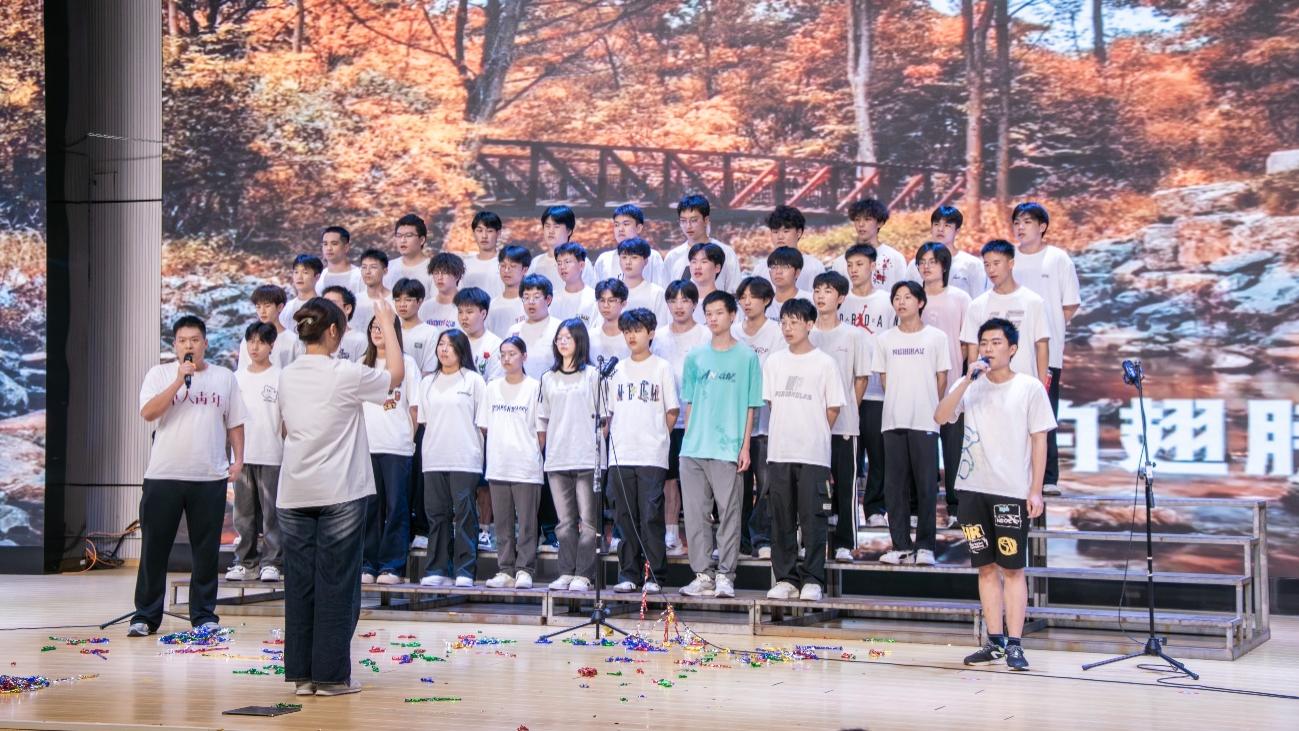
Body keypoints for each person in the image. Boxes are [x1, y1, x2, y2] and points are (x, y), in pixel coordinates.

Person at [276, 296, 403, 696]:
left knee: (300, 585)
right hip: (340, 490)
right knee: (337, 584)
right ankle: (330, 678)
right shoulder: (345, 372)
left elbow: (285, 428)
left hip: (294, 490)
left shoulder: (287, 375)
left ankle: (302, 677)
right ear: (333, 330)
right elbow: (395, 375)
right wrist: (387, 322)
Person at [935, 318, 1055, 672]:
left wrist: (1035, 490)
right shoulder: (970, 384)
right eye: (984, 342)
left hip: (1011, 491)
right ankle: (994, 640)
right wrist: (965, 380)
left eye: (996, 342)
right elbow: (941, 416)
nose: (988, 348)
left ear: (1013, 348)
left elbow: (1039, 439)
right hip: (972, 489)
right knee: (985, 568)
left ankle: (1015, 643)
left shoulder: (1029, 387)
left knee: (1013, 569)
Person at [129, 315, 247, 638]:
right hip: (163, 475)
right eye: (182, 340)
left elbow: (235, 422)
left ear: (205, 343)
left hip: (209, 476)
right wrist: (178, 381)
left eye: (194, 340)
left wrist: (238, 460)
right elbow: (148, 413)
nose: (189, 345)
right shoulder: (159, 374)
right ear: (175, 345)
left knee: (205, 551)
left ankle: (204, 615)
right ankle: (145, 616)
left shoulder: (224, 377)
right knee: (154, 549)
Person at [678, 291, 762, 599]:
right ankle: (702, 575)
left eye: (719, 313)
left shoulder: (747, 357)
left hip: (728, 448)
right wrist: (689, 440)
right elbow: (689, 403)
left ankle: (726, 575)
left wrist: (745, 446)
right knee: (696, 515)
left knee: (729, 514)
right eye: (709, 314)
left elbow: (751, 406)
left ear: (732, 315)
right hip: (693, 450)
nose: (713, 319)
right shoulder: (695, 357)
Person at [763, 299, 844, 602]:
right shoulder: (774, 362)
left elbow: (833, 408)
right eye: (784, 322)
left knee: (813, 518)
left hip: (813, 454)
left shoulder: (825, 363)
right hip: (780, 452)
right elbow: (771, 402)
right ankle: (786, 578)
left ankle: (813, 579)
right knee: (781, 518)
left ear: (810, 324)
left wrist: (813, 432)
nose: (788, 328)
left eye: (794, 322)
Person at [873, 281, 950, 566]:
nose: (901, 302)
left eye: (907, 297)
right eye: (897, 297)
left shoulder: (936, 338)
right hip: (893, 420)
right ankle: (901, 546)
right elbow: (884, 379)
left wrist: (930, 407)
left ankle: (926, 546)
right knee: (895, 488)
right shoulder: (884, 339)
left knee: (926, 486)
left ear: (920, 302)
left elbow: (942, 378)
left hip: (925, 421)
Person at [607, 308, 679, 594]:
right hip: (621, 453)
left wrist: (658, 437)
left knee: (650, 515)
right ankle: (628, 573)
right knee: (624, 517)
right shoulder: (616, 369)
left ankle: (654, 575)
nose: (631, 336)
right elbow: (608, 412)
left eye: (637, 330)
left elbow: (672, 411)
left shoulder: (661, 367)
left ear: (650, 333)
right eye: (627, 331)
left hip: (651, 454)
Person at [1010, 202, 1080, 495]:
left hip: (1046, 352)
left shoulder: (1058, 259)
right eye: (1017, 222)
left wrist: (1048, 330)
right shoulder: (1009, 258)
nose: (1020, 227)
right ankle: (1014, 473)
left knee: (1045, 410)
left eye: (1027, 221)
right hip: (1010, 351)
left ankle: (1048, 477)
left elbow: (1070, 304)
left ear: (1042, 226)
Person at [415, 329, 488, 588]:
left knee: (465, 514)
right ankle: (437, 568)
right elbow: (424, 421)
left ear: (461, 349)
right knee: (437, 514)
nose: (444, 349)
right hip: (434, 457)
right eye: (441, 344)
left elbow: (482, 424)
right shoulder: (427, 382)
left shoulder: (473, 381)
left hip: (465, 457)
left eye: (450, 345)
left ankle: (465, 570)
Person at [809, 272, 871, 562]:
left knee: (846, 485)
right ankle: (811, 541)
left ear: (841, 297)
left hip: (844, 425)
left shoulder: (853, 335)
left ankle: (845, 543)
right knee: (812, 489)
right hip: (810, 426)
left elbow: (861, 378)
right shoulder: (807, 333)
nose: (821, 296)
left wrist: (849, 409)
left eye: (828, 291)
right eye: (817, 290)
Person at [538, 320, 602, 592]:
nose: (562, 342)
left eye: (568, 337)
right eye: (559, 338)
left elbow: (605, 417)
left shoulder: (593, 375)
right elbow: (542, 419)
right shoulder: (548, 378)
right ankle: (566, 571)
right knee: (564, 523)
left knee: (588, 522)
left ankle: (584, 574)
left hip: (586, 458)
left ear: (579, 341)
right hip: (557, 458)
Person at [837, 244, 895, 528]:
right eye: (850, 265)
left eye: (859, 264)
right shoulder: (840, 301)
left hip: (877, 391)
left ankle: (875, 508)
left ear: (873, 266)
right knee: (845, 456)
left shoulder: (887, 301)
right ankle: (842, 509)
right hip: (844, 390)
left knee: (878, 454)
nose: (854, 270)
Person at [480, 337, 544, 589]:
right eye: (503, 354)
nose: (507, 359)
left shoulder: (534, 387)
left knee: (527, 523)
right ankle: (505, 569)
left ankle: (525, 569)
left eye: (513, 354)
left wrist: (528, 451)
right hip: (498, 464)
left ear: (524, 356)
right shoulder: (492, 387)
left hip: (526, 466)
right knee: (502, 523)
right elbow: (484, 426)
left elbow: (541, 431)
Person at [915, 242, 972, 526]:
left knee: (953, 451)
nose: (926, 267)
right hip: (918, 387)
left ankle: (956, 508)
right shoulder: (912, 298)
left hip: (951, 387)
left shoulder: (960, 298)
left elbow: (968, 343)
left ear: (945, 265)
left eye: (932, 261)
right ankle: (919, 510)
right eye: (922, 262)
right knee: (921, 455)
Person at [359, 315, 419, 586]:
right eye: (373, 327)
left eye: (382, 328)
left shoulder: (407, 364)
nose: (377, 332)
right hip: (367, 446)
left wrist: (408, 438)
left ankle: (392, 566)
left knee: (396, 508)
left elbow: (415, 408)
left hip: (397, 447)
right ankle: (367, 564)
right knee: (369, 508)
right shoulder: (362, 363)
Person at [656, 280, 711, 555]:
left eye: (685, 300)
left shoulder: (705, 335)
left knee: (695, 480)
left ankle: (701, 536)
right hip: (666, 417)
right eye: (673, 300)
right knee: (668, 479)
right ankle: (670, 533)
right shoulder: (658, 336)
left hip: (697, 418)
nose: (679, 306)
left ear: (694, 304)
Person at [733, 276, 785, 559]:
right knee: (737, 486)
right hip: (735, 422)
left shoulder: (776, 333)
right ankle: (740, 540)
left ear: (766, 300)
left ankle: (762, 538)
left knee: (766, 484)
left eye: (753, 296)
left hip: (766, 421)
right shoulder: (733, 331)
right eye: (743, 297)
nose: (747, 302)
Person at [228, 322, 283, 583]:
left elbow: (287, 418)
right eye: (251, 341)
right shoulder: (236, 378)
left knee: (272, 513)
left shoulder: (280, 376)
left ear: (271, 345)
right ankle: (245, 562)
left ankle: (272, 562)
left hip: (272, 453)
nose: (255, 347)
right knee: (243, 513)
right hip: (242, 456)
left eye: (261, 342)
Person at [960, 240, 1050, 388]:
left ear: (1010, 263)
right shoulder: (976, 305)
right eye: (987, 265)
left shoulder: (1033, 301)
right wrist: (973, 385)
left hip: (1025, 384)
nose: (991, 270)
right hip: (987, 385)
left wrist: (1041, 387)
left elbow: (1042, 346)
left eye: (996, 263)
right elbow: (973, 351)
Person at [663, 194, 741, 292]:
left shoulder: (726, 252)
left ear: (706, 220)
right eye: (683, 221)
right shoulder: (673, 256)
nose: (688, 226)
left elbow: (734, 291)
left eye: (694, 220)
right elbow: (667, 294)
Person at [904, 206, 986, 298]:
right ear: (931, 228)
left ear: (957, 231)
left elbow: (979, 301)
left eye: (947, 225)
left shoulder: (972, 264)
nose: (940, 229)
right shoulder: (915, 265)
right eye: (936, 224)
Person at [830, 199, 906, 293]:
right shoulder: (840, 262)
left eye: (867, 219)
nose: (861, 224)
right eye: (857, 219)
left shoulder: (895, 258)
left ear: (880, 223)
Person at [750, 205, 826, 291]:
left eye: (786, 231)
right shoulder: (761, 268)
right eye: (775, 232)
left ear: (799, 233)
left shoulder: (814, 267)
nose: (780, 237)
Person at [594, 204, 667, 284]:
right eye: (616, 225)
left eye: (626, 224)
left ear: (638, 228)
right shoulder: (604, 259)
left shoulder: (652, 257)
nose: (620, 229)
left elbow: (660, 288)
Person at [530, 205, 597, 288]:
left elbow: (590, 292)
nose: (551, 231)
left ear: (569, 231)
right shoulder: (536, 263)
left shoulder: (580, 262)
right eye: (547, 226)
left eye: (556, 227)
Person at [508, 273, 561, 378]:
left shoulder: (559, 329)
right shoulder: (514, 330)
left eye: (536, 297)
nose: (530, 302)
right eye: (526, 297)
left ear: (548, 299)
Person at [238, 284, 299, 370]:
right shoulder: (249, 339)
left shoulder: (292, 340)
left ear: (280, 307)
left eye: (267, 306)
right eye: (258, 307)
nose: (262, 311)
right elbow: (242, 369)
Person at [616, 237, 671, 327]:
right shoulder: (612, 292)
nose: (628, 262)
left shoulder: (657, 293)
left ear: (645, 261)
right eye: (624, 257)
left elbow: (661, 328)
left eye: (634, 257)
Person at [455, 286, 505, 382]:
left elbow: (494, 383)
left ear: (483, 314)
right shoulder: (455, 342)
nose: (463, 317)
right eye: (460, 312)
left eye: (469, 312)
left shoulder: (496, 345)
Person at [392, 278, 439, 375]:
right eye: (397, 300)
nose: (402, 305)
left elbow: (429, 370)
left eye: (408, 300)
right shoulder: (390, 331)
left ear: (420, 301)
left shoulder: (431, 332)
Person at [487, 245, 532, 338]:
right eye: (503, 266)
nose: (506, 270)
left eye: (513, 266)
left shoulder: (531, 303)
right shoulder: (492, 305)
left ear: (525, 270)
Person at [383, 213, 433, 296]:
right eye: (399, 236)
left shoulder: (434, 269)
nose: (402, 240)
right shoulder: (389, 268)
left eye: (408, 236)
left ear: (422, 240)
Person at [551, 242, 597, 328]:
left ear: (581, 265)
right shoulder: (552, 299)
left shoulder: (594, 298)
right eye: (559, 263)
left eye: (567, 262)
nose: (562, 267)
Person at [462, 211, 505, 298]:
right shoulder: (465, 265)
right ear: (473, 233)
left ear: (498, 233)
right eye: (479, 231)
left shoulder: (506, 264)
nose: (484, 236)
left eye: (489, 231)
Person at [320, 285, 368, 362]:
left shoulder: (360, 339)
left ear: (348, 308)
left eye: (332, 303)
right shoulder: (317, 336)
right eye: (324, 304)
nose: (327, 308)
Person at [590, 278, 632, 364]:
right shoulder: (590, 336)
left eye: (611, 300)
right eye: (602, 300)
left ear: (624, 303)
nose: (606, 305)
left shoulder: (632, 337)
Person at [316, 225, 365, 299]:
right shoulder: (319, 278)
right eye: (325, 244)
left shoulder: (360, 276)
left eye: (334, 244)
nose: (329, 248)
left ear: (346, 247)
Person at [421, 252, 465, 333]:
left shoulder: (467, 306)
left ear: (457, 276)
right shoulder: (425, 307)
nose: (440, 278)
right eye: (436, 273)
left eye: (445, 273)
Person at [764, 246, 812, 321]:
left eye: (785, 267)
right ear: (770, 273)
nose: (778, 272)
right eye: (774, 267)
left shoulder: (810, 300)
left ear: (797, 273)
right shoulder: (763, 303)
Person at [353, 248, 393, 337]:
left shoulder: (394, 300)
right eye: (364, 267)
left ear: (385, 271)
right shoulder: (354, 300)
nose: (367, 272)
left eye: (373, 267)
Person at [281, 254, 323, 330]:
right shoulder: (287, 307)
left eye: (305, 272)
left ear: (317, 277)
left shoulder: (324, 307)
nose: (299, 277)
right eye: (296, 272)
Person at [686, 242, 725, 323]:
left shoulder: (726, 303)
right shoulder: (680, 303)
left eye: (704, 262)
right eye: (694, 262)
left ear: (717, 268)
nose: (697, 267)